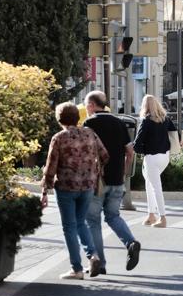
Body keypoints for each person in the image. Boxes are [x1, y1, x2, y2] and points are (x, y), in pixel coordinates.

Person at [40, 103, 109, 279]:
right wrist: (93, 170)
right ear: (77, 117)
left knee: (69, 227)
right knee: (81, 223)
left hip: (65, 187)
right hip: (87, 186)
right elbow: (105, 155)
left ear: (59, 119)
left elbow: (51, 166)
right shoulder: (90, 133)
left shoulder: (59, 138)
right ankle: (93, 255)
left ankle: (76, 269)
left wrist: (44, 190)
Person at [83, 91, 141, 274]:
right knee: (113, 216)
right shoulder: (118, 122)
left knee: (92, 221)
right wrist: (124, 171)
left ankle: (99, 263)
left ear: (92, 105)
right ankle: (131, 242)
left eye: (86, 105)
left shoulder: (89, 123)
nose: (86, 109)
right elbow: (130, 151)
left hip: (97, 181)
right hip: (117, 179)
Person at [133, 95, 176, 228]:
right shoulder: (166, 119)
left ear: (145, 106)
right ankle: (151, 215)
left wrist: (140, 149)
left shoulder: (146, 121)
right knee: (149, 184)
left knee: (156, 188)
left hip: (151, 157)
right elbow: (176, 134)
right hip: (165, 157)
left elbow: (137, 143)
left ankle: (162, 218)